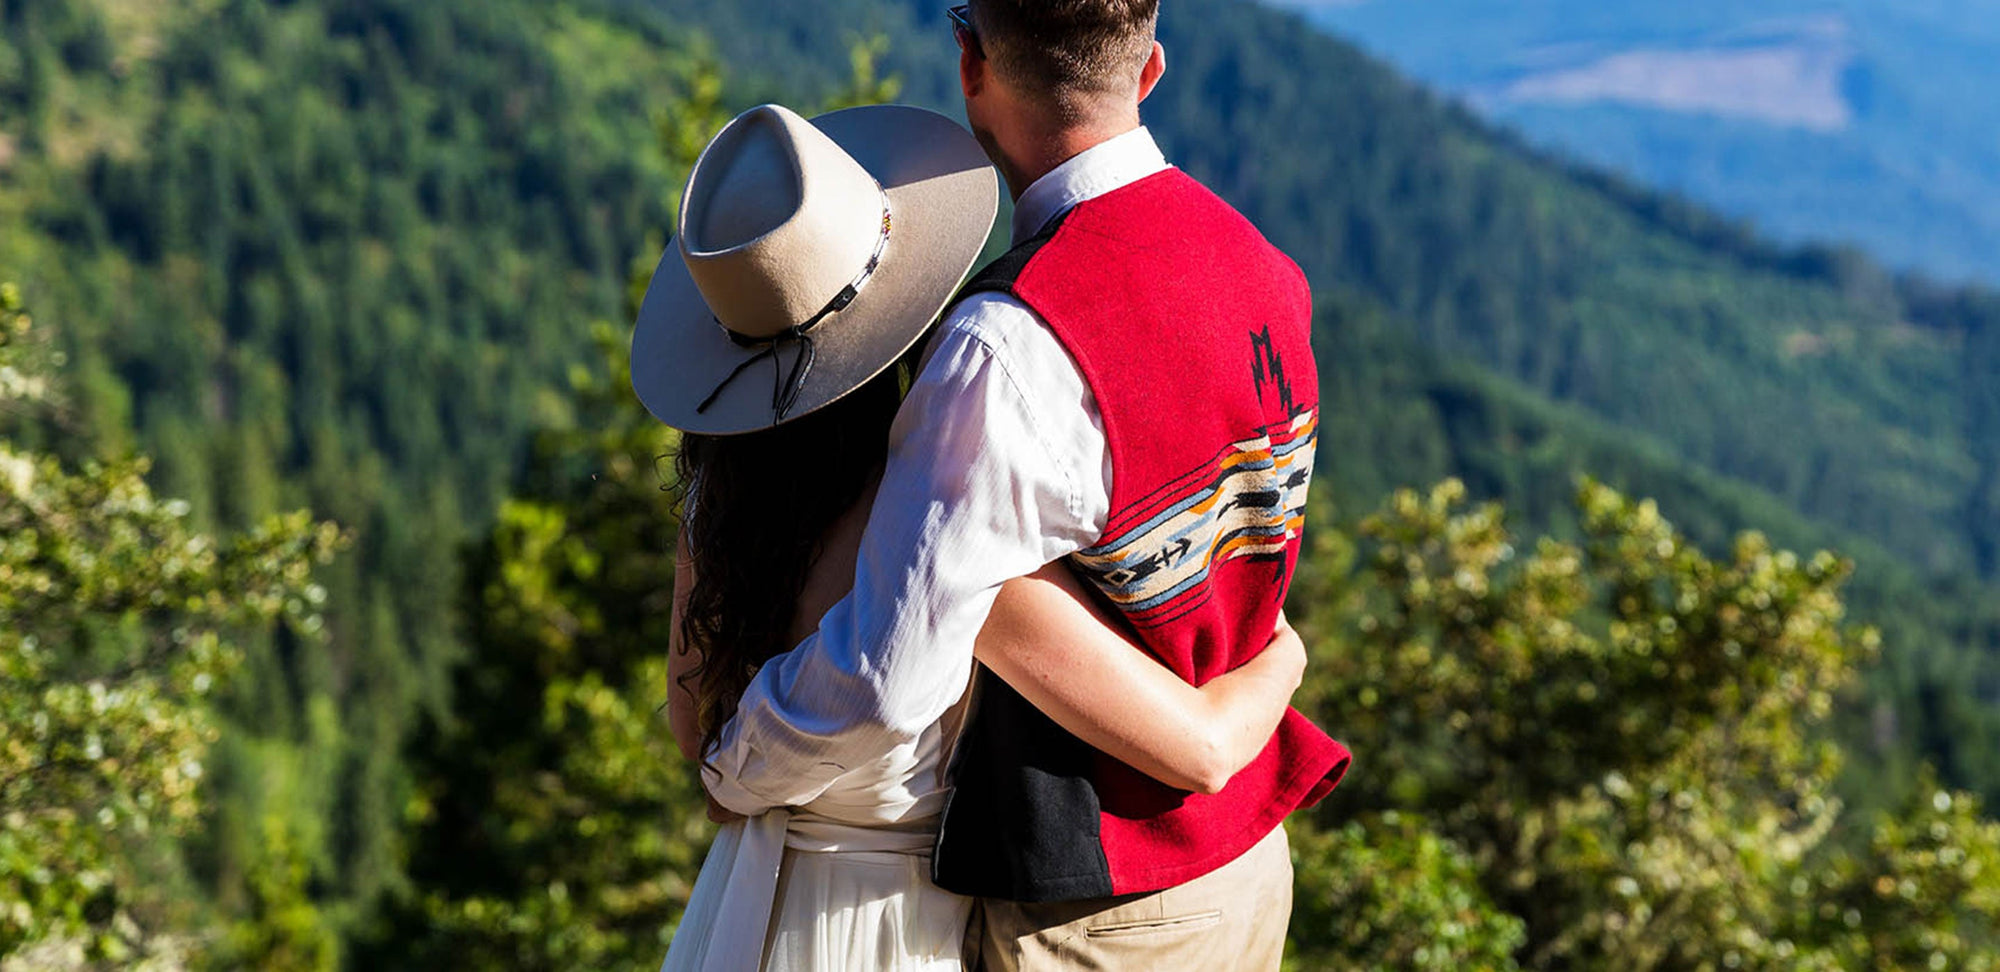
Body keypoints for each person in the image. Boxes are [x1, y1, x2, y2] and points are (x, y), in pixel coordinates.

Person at [689, 2, 1354, 968]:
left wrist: (736, 765)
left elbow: (885, 675)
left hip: (1103, 904)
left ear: (971, 63)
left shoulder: (1004, 346)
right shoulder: (1264, 268)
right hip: (1248, 862)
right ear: (1151, 68)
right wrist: (1275, 666)